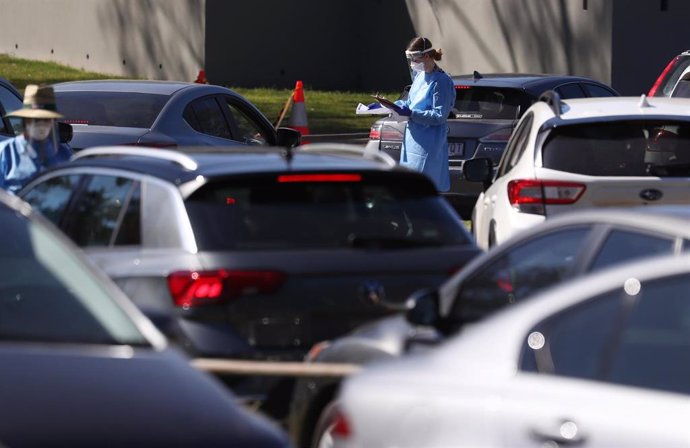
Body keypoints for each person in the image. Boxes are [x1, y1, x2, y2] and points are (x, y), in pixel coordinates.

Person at [393, 37, 455, 192]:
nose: (412, 63)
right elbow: (411, 102)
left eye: (415, 59)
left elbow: (439, 115)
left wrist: (412, 113)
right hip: (412, 141)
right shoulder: (420, 76)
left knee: (422, 189)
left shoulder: (441, 81)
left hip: (428, 145)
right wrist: (392, 106)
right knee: (408, 187)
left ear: (427, 56)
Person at [0, 84, 73, 193]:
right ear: (26, 120)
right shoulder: (6, 152)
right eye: (36, 119)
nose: (41, 124)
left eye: (46, 120)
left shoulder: (63, 154)